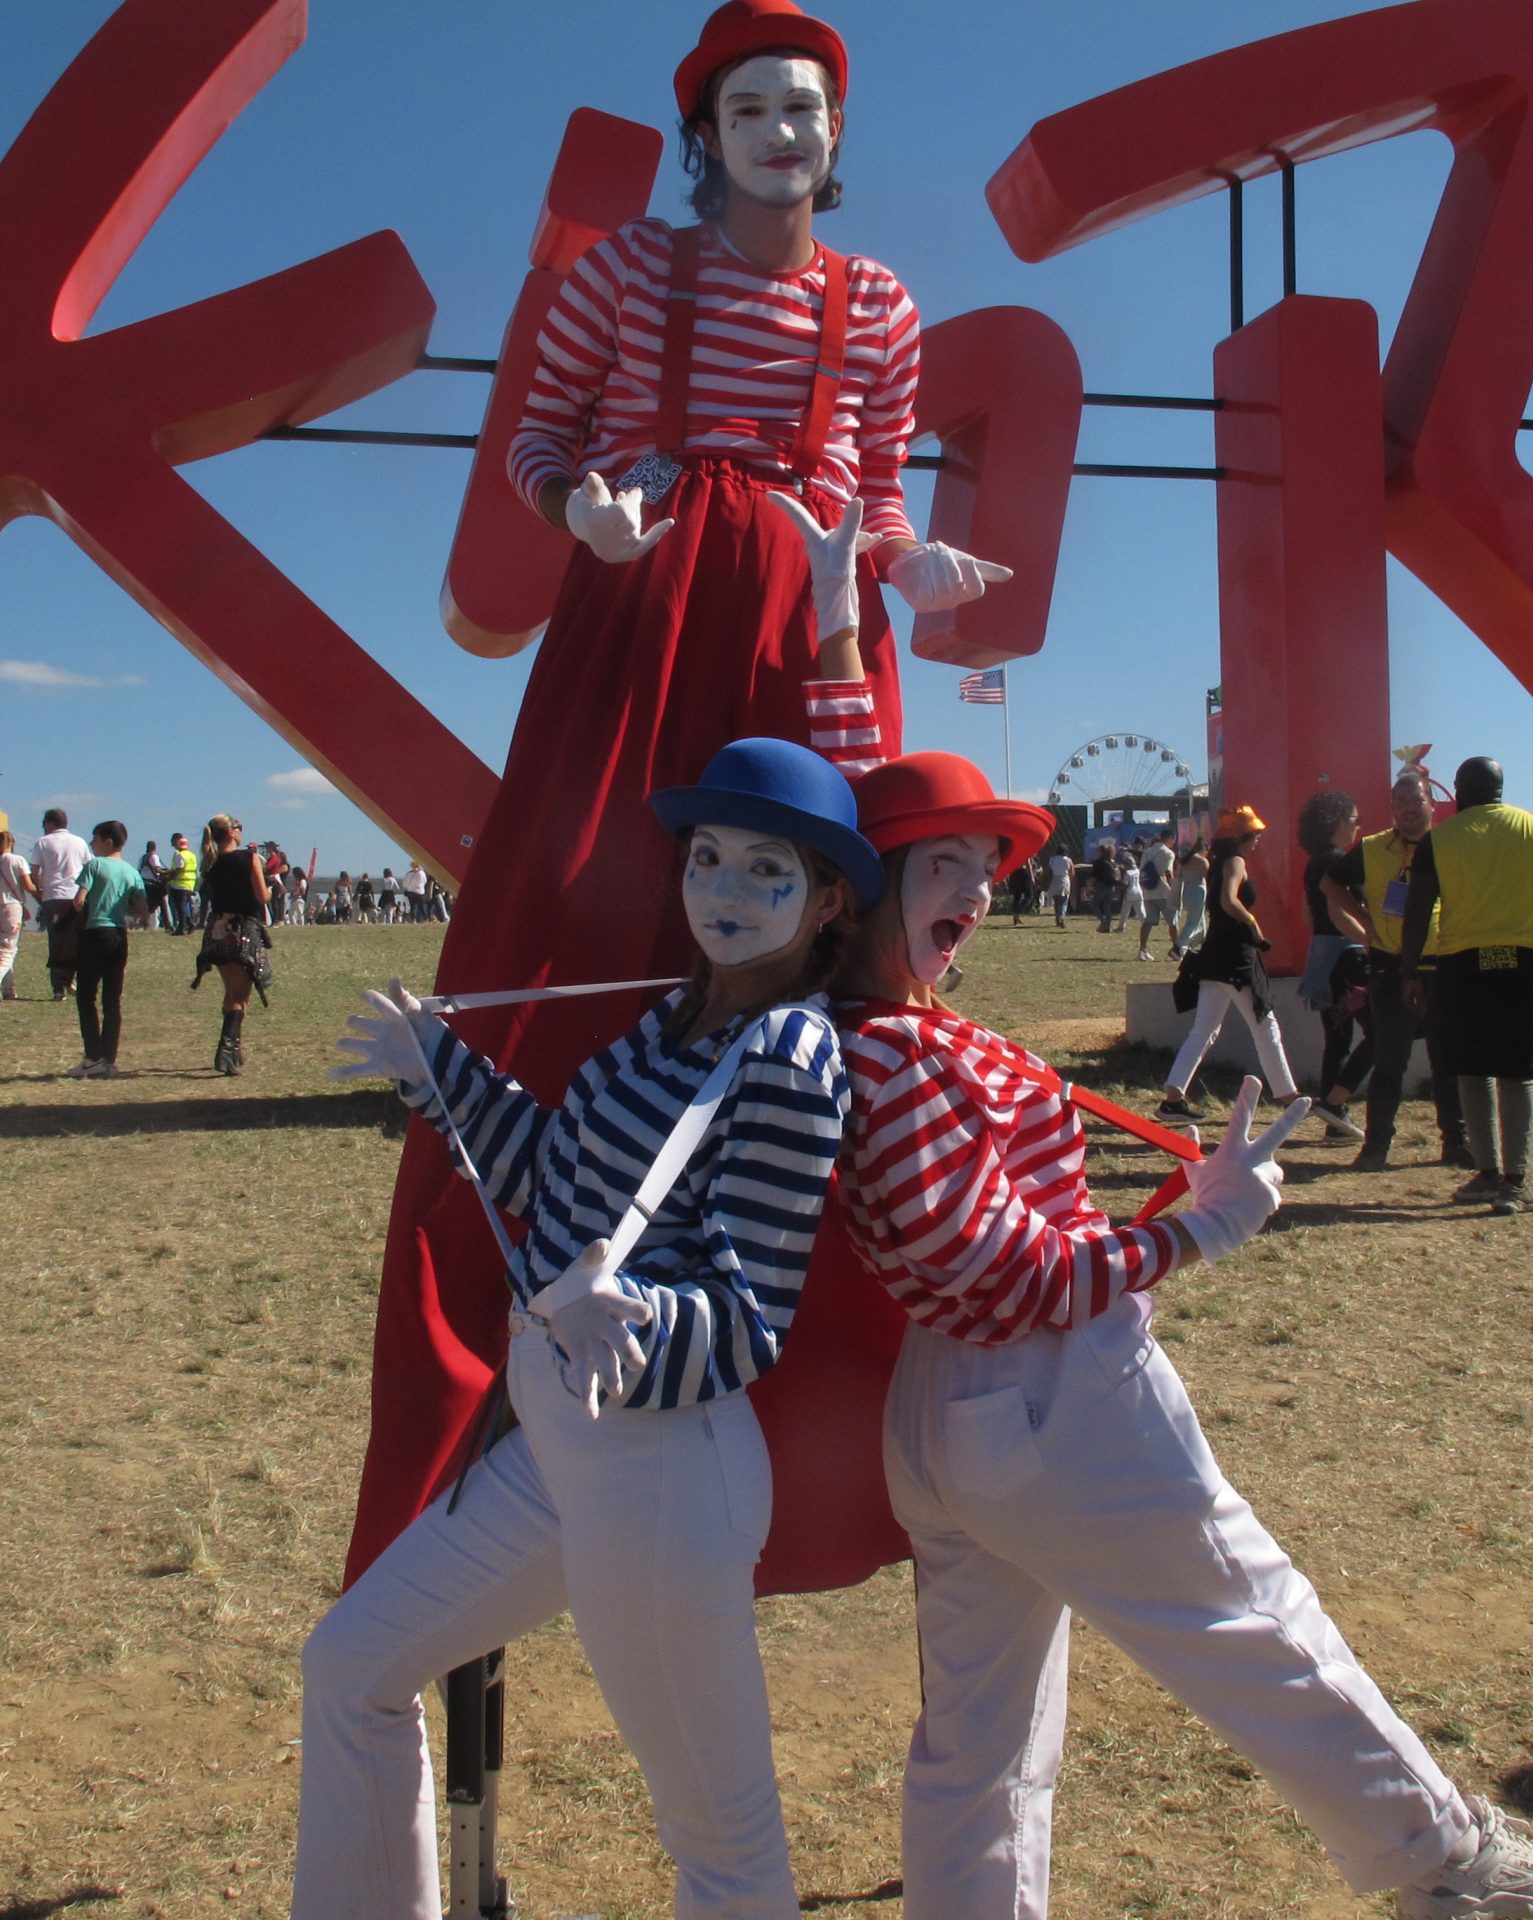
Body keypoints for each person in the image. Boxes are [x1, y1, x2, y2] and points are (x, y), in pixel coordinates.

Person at [344, 0, 1013, 1609]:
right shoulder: (628, 274)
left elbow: (875, 486)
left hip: (811, 617)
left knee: (834, 951)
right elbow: (541, 444)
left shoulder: (880, 301)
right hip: (649, 608)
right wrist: (587, 502)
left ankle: (836, 1362)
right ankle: (526, 1249)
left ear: (836, 137)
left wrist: (912, 561)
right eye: (754, 105)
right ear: (703, 132)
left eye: (810, 107)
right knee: (597, 887)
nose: (789, 128)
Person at [828, 749, 1533, 1920]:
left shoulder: (889, 1028)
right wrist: (1199, 1235)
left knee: (982, 1735)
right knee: (1254, 1619)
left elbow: (996, 1255)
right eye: (943, 867)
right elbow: (992, 1269)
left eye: (984, 869)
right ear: (866, 881)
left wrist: (837, 611)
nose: (977, 893)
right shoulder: (883, 1050)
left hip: (961, 1416)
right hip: (1049, 1394)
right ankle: (1452, 1865)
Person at [299, 736, 878, 1920]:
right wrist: (442, 1071)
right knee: (352, 1668)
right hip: (561, 1445)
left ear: (826, 903)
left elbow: (747, 1316)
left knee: (723, 1846)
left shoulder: (789, 1057)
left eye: (762, 870)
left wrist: (641, 1319)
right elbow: (549, 1172)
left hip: (660, 1471)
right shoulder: (669, 1018)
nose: (719, 890)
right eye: (704, 858)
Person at [1398, 757, 1533, 1217]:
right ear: (1501, 789)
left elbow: (1418, 911)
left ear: (1460, 791)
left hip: (1461, 966)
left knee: (1471, 1067)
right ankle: (1516, 1181)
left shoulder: (1438, 841)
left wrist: (1410, 973)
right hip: (1525, 964)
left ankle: (1486, 1174)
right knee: (1518, 1071)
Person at [1338, 774, 1471, 1171]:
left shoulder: (1450, 845)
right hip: (1390, 968)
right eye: (1401, 802)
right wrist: (1364, 925)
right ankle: (1376, 1147)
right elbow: (1328, 882)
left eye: (1416, 801)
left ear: (1432, 804)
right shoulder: (1374, 847)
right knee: (1389, 1061)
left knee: (1447, 1062)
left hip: (1442, 966)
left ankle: (1456, 1143)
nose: (1409, 809)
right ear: (1393, 807)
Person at [1158, 806, 1299, 1123]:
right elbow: (1228, 900)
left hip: (1214, 957)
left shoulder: (1217, 863)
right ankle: (1291, 1099)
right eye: (1255, 835)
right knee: (1265, 1025)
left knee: (1204, 1030)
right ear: (1241, 837)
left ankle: (1173, 1098)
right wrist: (1252, 923)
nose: (1258, 840)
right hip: (1236, 958)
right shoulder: (1236, 862)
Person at [1294, 790, 1371, 1141]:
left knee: (1336, 1039)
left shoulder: (1314, 862)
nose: (1358, 826)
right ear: (1339, 822)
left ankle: (1334, 1117)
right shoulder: (1339, 861)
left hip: (1322, 957)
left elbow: (1311, 914)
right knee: (1381, 1032)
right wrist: (1372, 941)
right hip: (1348, 957)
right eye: (1355, 820)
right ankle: (1337, 1106)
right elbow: (1340, 913)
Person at [194, 813, 273, 1074]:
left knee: (232, 991)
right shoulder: (248, 858)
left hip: (217, 929)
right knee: (240, 995)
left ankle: (235, 1047)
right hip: (242, 930)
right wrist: (271, 889)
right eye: (239, 827)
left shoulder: (209, 862)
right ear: (231, 832)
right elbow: (262, 896)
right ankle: (226, 1050)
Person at [68, 822, 146, 1078]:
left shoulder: (94, 866)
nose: (92, 844)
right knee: (112, 1000)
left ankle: (92, 1056)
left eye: (96, 839)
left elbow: (79, 900)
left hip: (95, 934)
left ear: (108, 841)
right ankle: (109, 1059)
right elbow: (142, 910)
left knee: (86, 996)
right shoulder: (131, 871)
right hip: (118, 936)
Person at [29, 808, 90, 1000]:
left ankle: (59, 988)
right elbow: (89, 867)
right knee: (76, 941)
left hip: (53, 897)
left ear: (50, 823)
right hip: (75, 896)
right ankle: (72, 979)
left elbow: (35, 872)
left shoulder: (43, 842)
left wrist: (38, 890)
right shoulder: (79, 842)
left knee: (55, 942)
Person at [0, 829, 34, 1001]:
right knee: (8, 950)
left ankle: (8, 989)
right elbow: (28, 885)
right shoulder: (19, 860)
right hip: (11, 908)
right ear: (12, 844)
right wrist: (41, 895)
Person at [1133, 831, 1176, 960]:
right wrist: (1174, 890)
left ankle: (1142, 950)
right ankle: (1176, 950)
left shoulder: (1147, 852)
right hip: (1164, 891)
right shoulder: (1168, 853)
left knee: (1148, 921)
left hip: (1149, 891)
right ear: (1170, 838)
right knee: (1172, 922)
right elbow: (1168, 872)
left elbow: (1142, 871)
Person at [1171, 840, 1210, 957]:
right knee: (1193, 922)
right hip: (1198, 890)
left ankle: (1196, 945)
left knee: (1201, 922)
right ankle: (1178, 947)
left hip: (1187, 890)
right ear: (1204, 849)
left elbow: (1178, 877)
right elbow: (1207, 876)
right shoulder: (1202, 861)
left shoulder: (1184, 861)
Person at [164, 831, 199, 935]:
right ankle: (190, 923)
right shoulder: (192, 855)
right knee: (183, 906)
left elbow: (179, 869)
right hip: (190, 884)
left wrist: (168, 878)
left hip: (179, 884)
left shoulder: (179, 854)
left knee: (180, 907)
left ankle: (181, 928)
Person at [1044, 842, 1073, 928]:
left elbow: (1048, 870)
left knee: (1056, 902)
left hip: (1054, 880)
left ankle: (1057, 918)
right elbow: (1072, 872)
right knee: (1064, 901)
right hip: (1064, 880)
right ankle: (1062, 917)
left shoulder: (1052, 859)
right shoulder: (1068, 860)